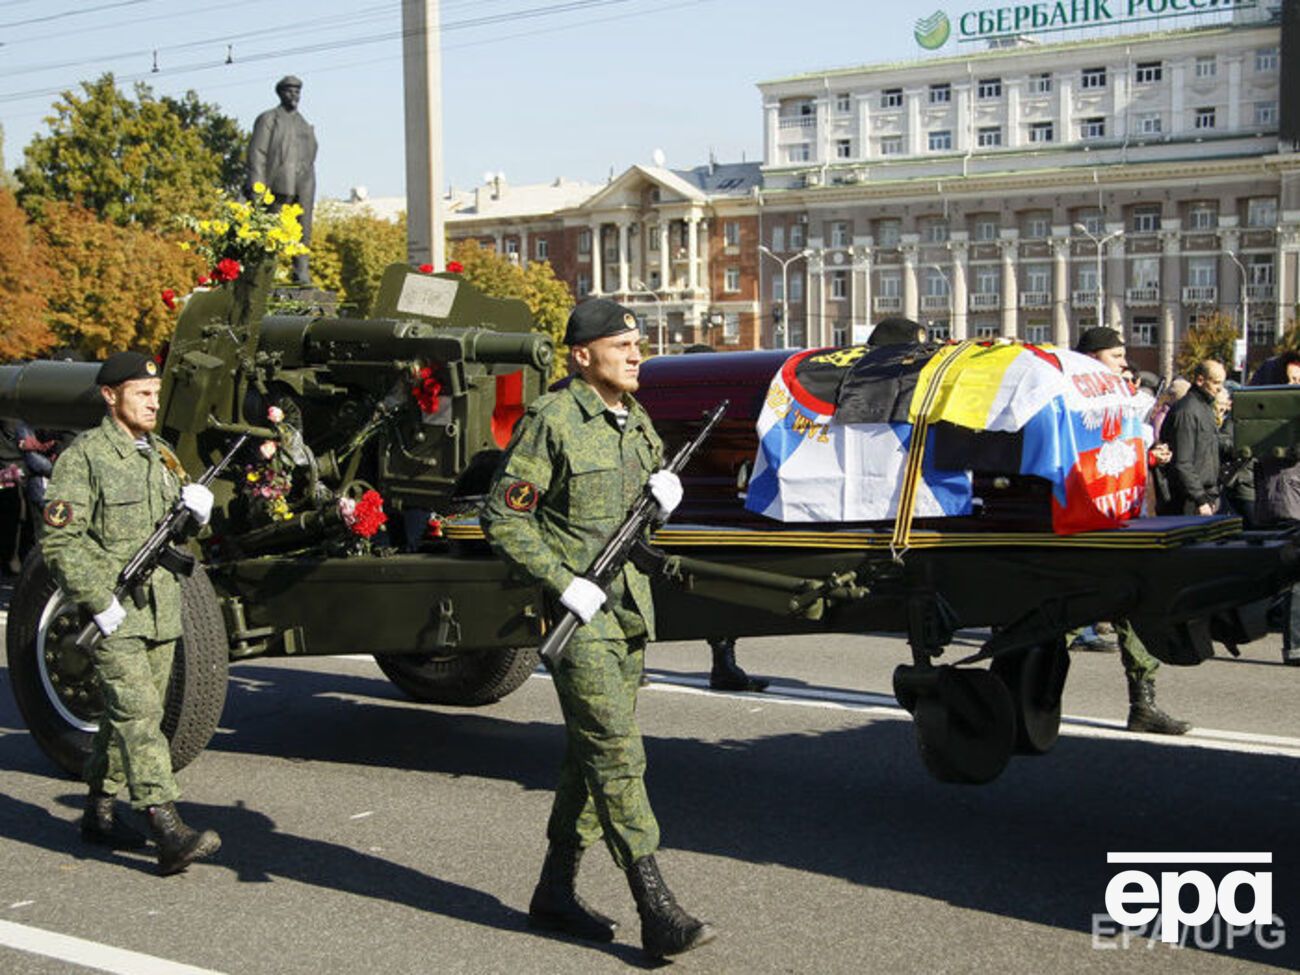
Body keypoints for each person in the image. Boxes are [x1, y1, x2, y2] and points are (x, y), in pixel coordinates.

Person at [482, 299, 715, 959]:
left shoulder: (636, 421)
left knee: (587, 755)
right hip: (578, 620)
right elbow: (505, 518)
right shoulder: (552, 421)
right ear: (583, 355)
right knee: (616, 753)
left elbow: (636, 521)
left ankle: (554, 890)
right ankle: (655, 905)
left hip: (629, 613)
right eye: (622, 344)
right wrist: (563, 582)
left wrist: (662, 504)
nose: (637, 354)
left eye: (637, 343)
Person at [40, 351, 223, 875]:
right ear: (109, 395)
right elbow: (60, 542)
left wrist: (198, 515)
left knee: (128, 717)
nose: (152, 402)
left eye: (157, 394)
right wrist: (98, 602)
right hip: (112, 615)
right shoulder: (86, 458)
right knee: (140, 718)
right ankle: (165, 826)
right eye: (142, 393)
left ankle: (98, 811)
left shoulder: (161, 455)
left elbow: (183, 535)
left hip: (161, 613)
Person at [1073, 327, 1190, 734]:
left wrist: (1147, 456)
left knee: (1134, 612)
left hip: (1126, 521)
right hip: (1085, 527)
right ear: (1090, 358)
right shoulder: (1073, 398)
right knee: (1059, 618)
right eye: (1116, 355)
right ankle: (1023, 700)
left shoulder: (1120, 398)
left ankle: (1143, 705)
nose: (1125, 363)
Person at [1251, 350, 1300, 665]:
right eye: (1293, 379)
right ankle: (1295, 644)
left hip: (1291, 493)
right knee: (1295, 577)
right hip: (1286, 498)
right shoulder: (1271, 416)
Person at [246, 75, 317, 284]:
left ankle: (301, 272)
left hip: (304, 184)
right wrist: (257, 189)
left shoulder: (304, 123)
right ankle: (266, 275)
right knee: (272, 233)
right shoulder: (269, 119)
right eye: (289, 91)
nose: (294, 95)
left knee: (304, 230)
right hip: (278, 185)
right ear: (280, 93)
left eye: (297, 91)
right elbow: (257, 154)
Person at [1155, 359, 1225, 516]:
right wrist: (1200, 499)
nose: (1220, 389)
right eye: (1216, 383)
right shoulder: (1187, 411)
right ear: (1200, 380)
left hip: (1203, 494)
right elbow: (1182, 462)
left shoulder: (1203, 407)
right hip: (1188, 499)